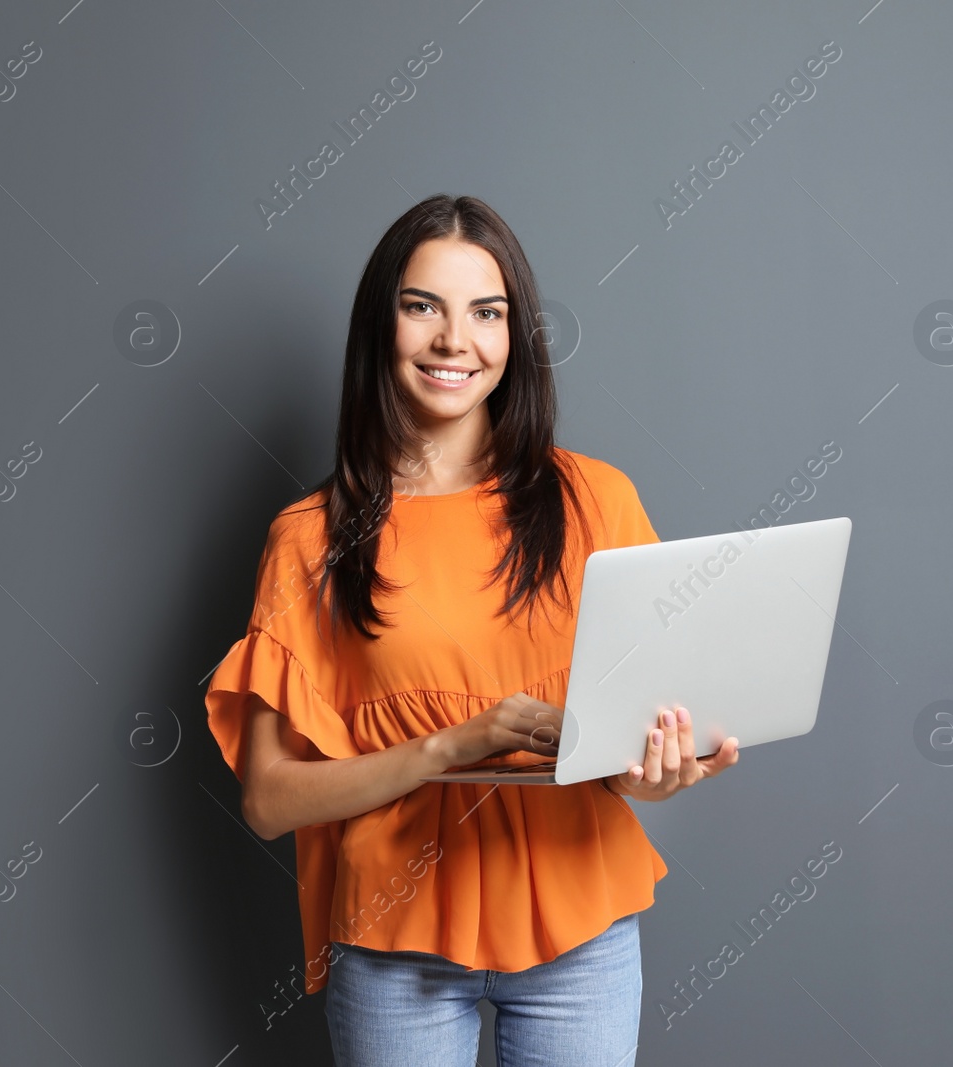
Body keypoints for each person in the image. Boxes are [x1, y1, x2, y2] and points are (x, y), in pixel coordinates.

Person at [203, 193, 741, 1066]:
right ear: (382, 326)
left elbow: (627, 752)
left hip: (582, 936)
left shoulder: (594, 500)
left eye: (486, 313)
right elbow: (268, 799)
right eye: (424, 307)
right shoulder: (308, 536)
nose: (457, 341)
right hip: (393, 945)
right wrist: (446, 749)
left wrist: (662, 773)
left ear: (514, 336)